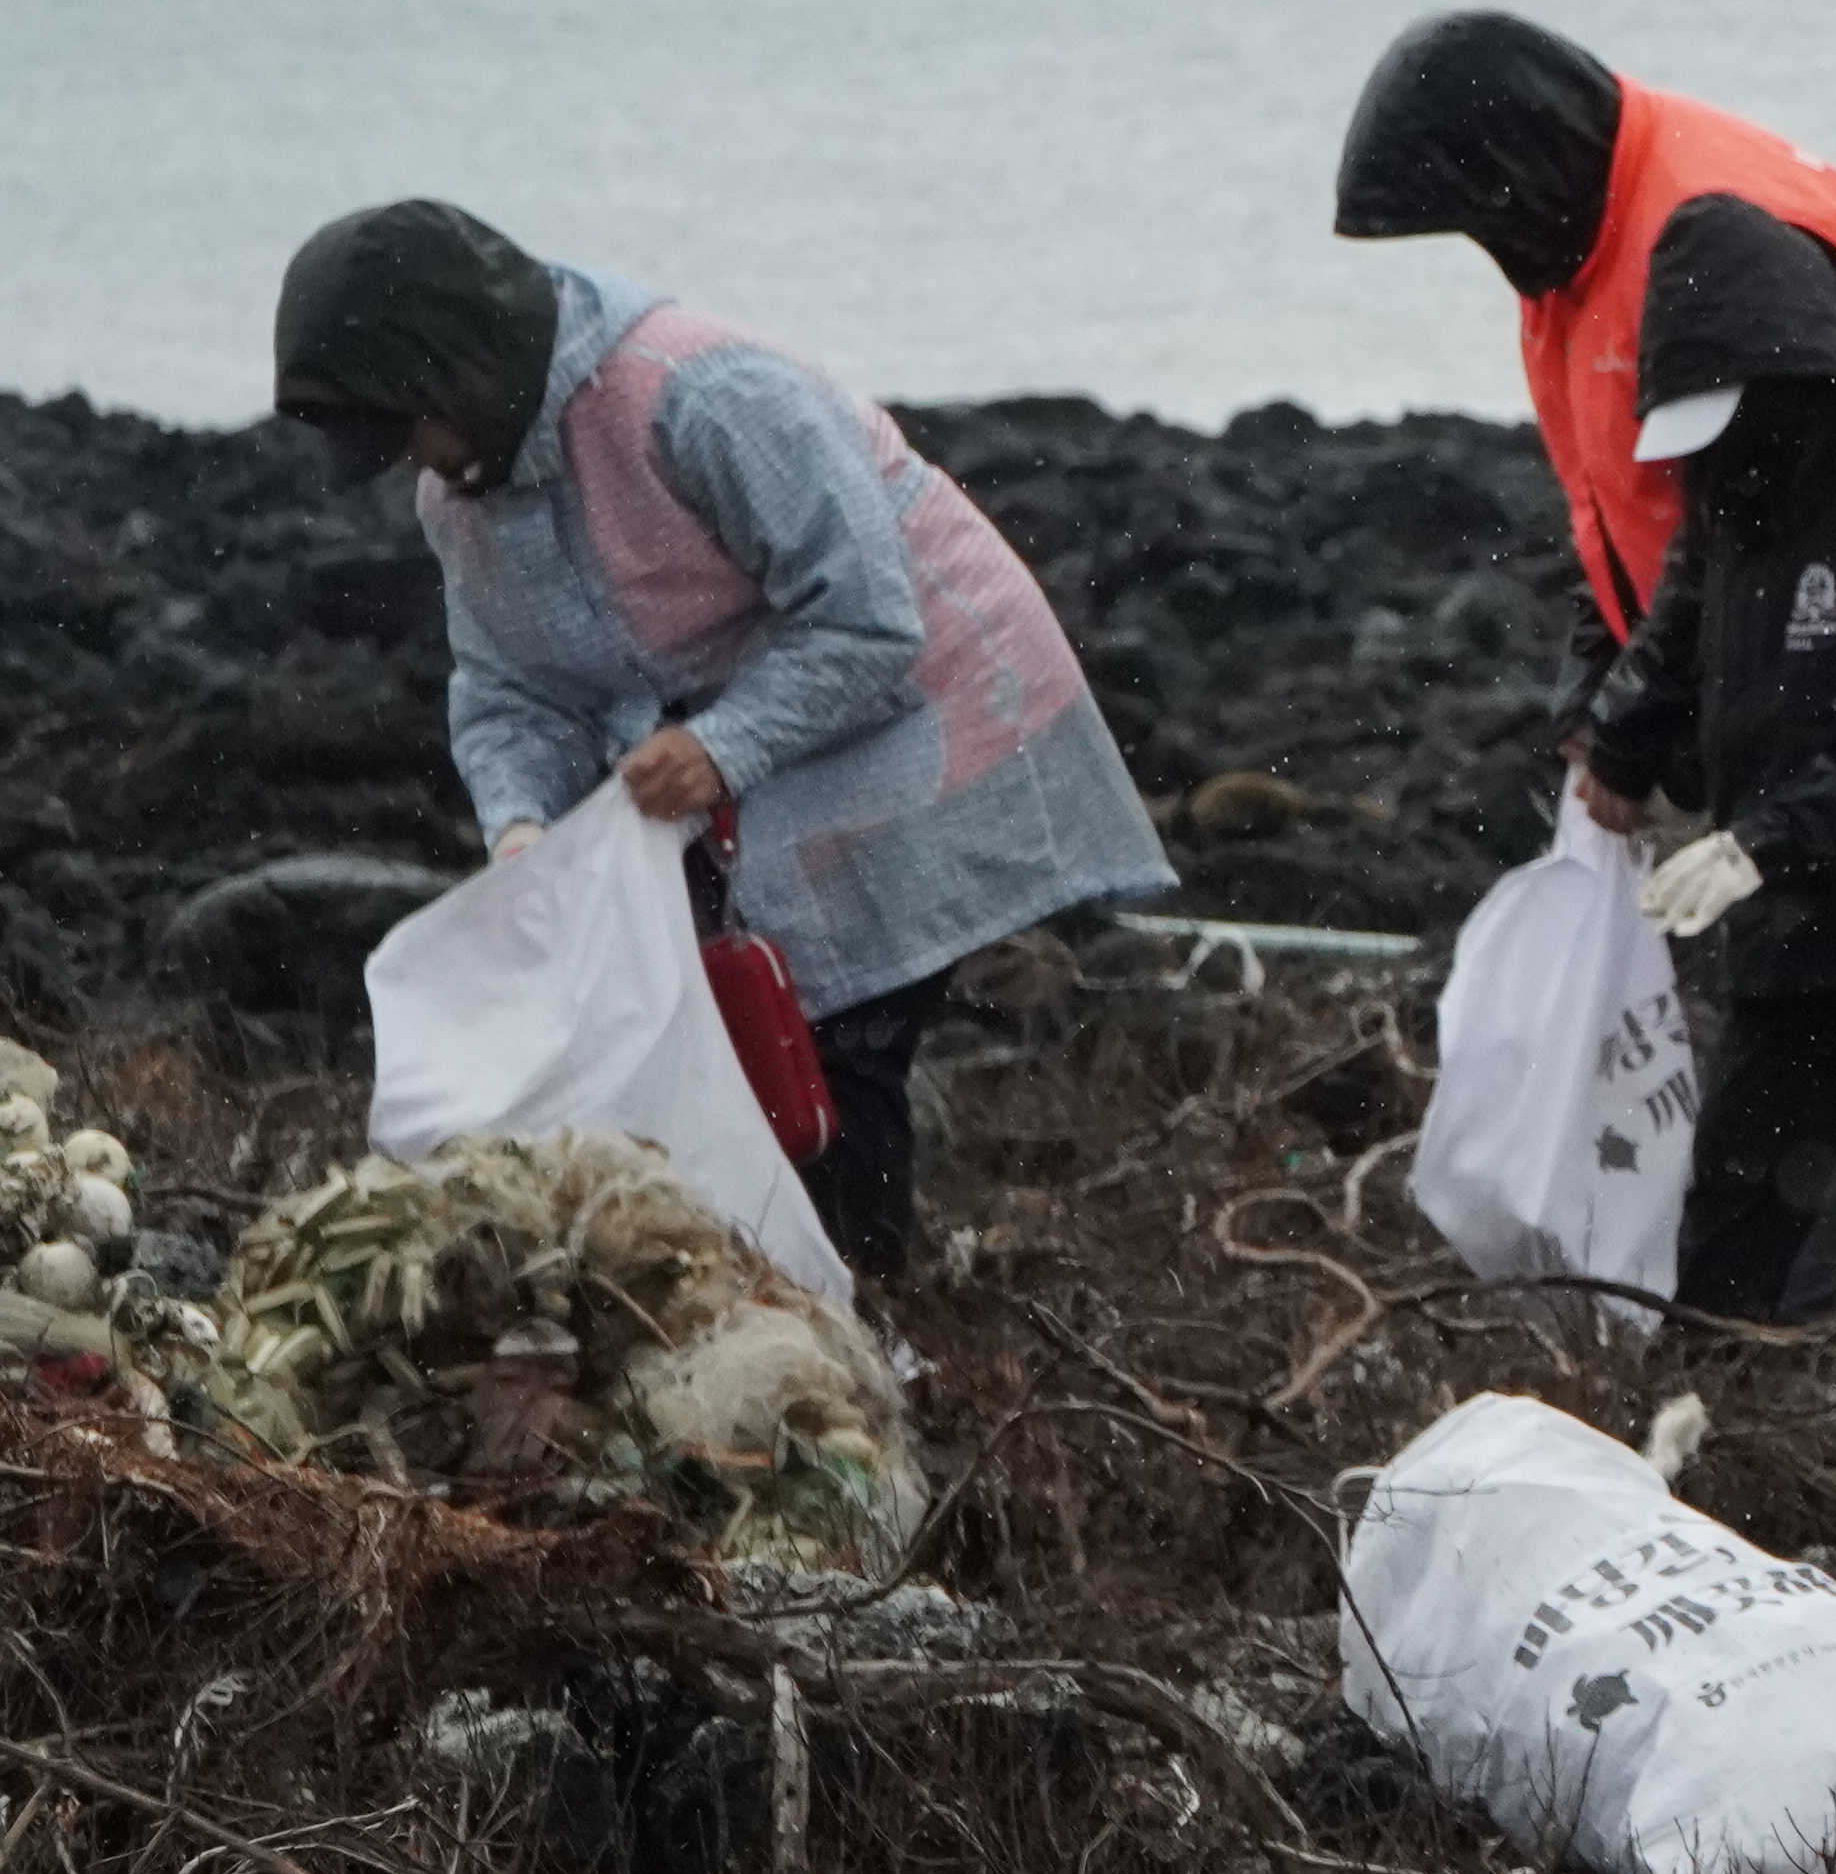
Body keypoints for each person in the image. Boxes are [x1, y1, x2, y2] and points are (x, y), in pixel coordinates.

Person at [268, 200, 1175, 1276]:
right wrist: (521, 828)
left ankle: (863, 1313)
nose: (410, 462)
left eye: (409, 427)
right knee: (726, 1033)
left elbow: (869, 620)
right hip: (740, 749)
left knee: (831, 1037)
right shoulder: (461, 496)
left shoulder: (700, 393)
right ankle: (797, 1287)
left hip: (932, 707)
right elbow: (511, 691)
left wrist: (722, 748)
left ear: (462, 370)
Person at [1330, 10, 1836, 687]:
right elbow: (1617, 508)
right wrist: (1596, 690)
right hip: (1764, 646)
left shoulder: (1713, 244)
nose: (1491, 243)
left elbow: (1756, 540)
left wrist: (1626, 723)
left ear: (1518, 170)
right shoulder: (1573, 235)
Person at [1571, 199, 1836, 1322]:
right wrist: (1618, 744)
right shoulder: (1734, 502)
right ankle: (1714, 1399)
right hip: (1780, 939)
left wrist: (1766, 844)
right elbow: (1676, 630)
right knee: (1734, 1213)